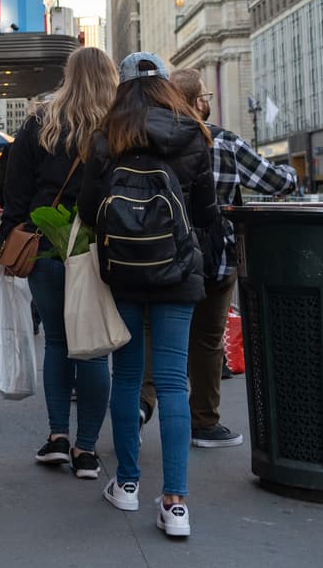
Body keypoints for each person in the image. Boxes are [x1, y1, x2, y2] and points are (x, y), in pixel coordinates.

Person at [78, 52, 216, 539]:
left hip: (125, 273)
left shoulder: (106, 137)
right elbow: (205, 212)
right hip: (179, 270)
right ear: (165, 86)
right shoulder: (194, 134)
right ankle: (175, 503)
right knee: (175, 382)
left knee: (129, 376)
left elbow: (91, 210)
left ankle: (129, 483)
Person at [145, 68, 297, 448]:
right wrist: (292, 172)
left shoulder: (151, 140)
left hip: (163, 252)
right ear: (198, 101)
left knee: (158, 335)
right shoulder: (224, 142)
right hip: (217, 255)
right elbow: (276, 182)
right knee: (208, 340)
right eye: (205, 95)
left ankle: (142, 405)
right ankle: (204, 421)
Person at [0, 47, 118, 479]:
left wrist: (12, 234)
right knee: (93, 350)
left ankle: (57, 438)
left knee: (56, 342)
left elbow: (15, 186)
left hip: (46, 245)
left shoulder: (40, 121)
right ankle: (87, 450)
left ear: (68, 75)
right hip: (99, 251)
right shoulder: (118, 124)